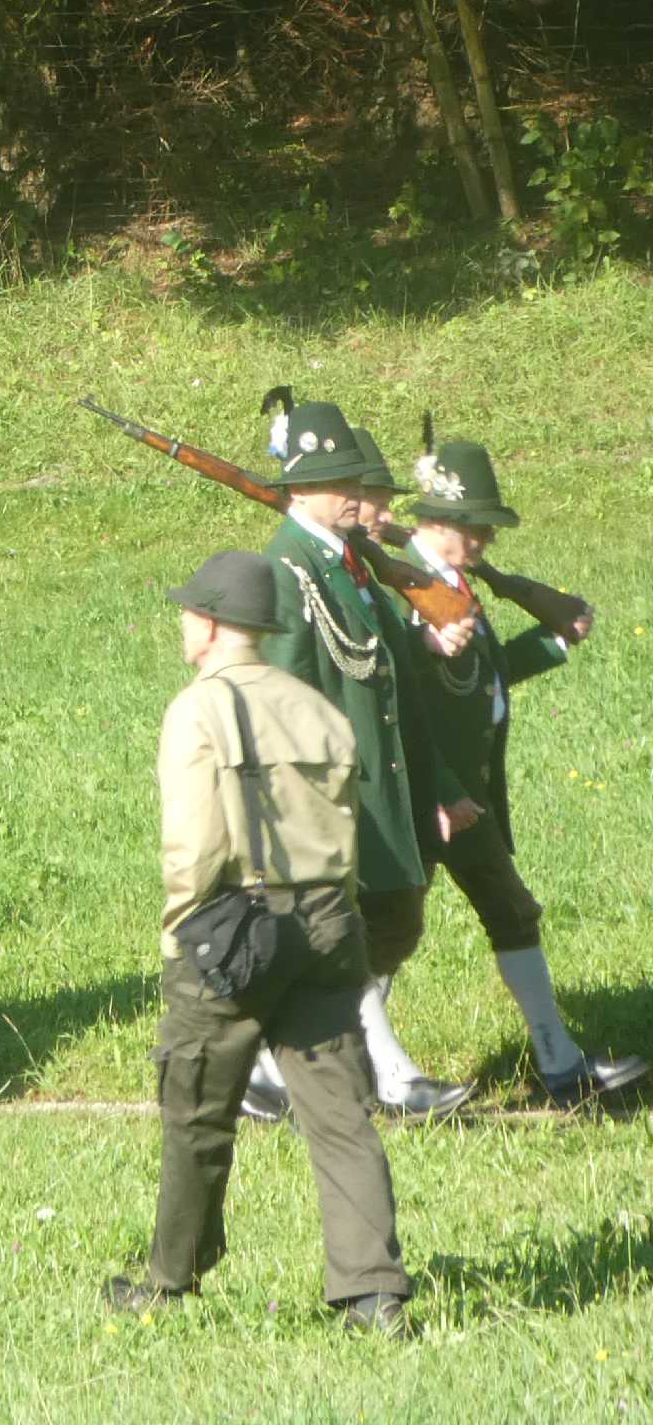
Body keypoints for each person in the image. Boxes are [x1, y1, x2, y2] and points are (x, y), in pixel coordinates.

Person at [104, 551, 411, 1335]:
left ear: (210, 623)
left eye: (187, 611)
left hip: (237, 928)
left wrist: (180, 933)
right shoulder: (315, 706)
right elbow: (347, 825)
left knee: (197, 1108)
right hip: (329, 919)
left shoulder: (198, 710)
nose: (181, 623)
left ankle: (171, 1281)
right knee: (340, 1112)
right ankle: (373, 1293)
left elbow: (193, 846)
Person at [396, 428, 645, 1108]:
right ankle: (324, 1063)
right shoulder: (401, 584)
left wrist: (555, 641)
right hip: (425, 789)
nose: (486, 540)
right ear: (437, 520)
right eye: (475, 526)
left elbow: (482, 675)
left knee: (511, 912)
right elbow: (397, 701)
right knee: (387, 932)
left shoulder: (452, 582)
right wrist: (441, 789)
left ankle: (560, 1063)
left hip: (467, 793)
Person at [242, 401, 471, 1124]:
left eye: (354, 478)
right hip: (337, 789)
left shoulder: (349, 564)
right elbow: (286, 698)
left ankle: (271, 1064)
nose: (354, 492)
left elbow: (396, 687)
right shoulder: (288, 570)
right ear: (299, 488)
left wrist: (437, 785)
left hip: (379, 780)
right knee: (346, 932)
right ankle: (385, 1074)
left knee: (394, 922)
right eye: (336, 480)